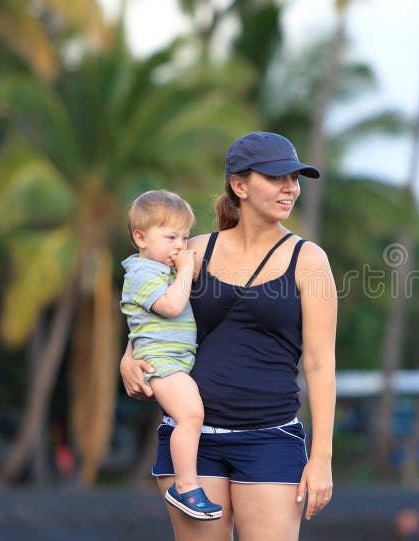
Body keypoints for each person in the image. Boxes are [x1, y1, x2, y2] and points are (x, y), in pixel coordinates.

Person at [120, 131, 337, 541]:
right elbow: (150, 310)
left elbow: (321, 363)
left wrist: (322, 456)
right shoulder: (194, 251)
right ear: (240, 186)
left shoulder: (309, 260)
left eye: (294, 179)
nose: (290, 188)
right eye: (276, 178)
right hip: (192, 444)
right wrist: (128, 356)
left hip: (270, 439)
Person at [121, 190, 222, 520]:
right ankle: (186, 486)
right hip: (161, 362)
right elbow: (172, 305)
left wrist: (184, 269)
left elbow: (189, 282)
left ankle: (186, 483)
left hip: (177, 361)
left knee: (190, 415)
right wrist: (183, 271)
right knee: (191, 416)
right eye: (170, 237)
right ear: (140, 238)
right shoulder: (140, 273)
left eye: (185, 237)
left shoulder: (161, 268)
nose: (181, 245)